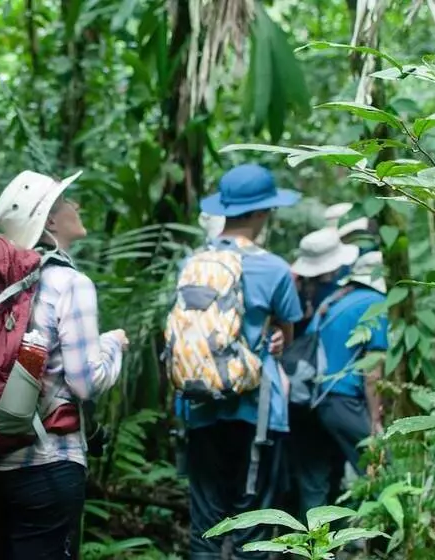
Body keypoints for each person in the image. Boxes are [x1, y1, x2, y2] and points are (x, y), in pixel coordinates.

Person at [0, 170, 129, 559]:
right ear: (50, 220)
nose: (78, 206)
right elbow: (87, 381)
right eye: (68, 201)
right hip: (46, 463)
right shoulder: (69, 283)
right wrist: (113, 344)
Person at [184, 163, 303, 560]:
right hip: (258, 409)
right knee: (253, 522)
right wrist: (273, 335)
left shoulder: (195, 264)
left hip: (201, 404)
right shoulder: (274, 268)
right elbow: (285, 335)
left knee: (205, 524)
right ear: (259, 214)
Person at [288, 249, 388, 518]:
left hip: (310, 401)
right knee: (380, 473)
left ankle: (312, 550)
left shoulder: (333, 300)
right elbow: (373, 370)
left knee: (315, 482)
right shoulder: (376, 302)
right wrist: (375, 418)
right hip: (344, 400)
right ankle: (385, 547)